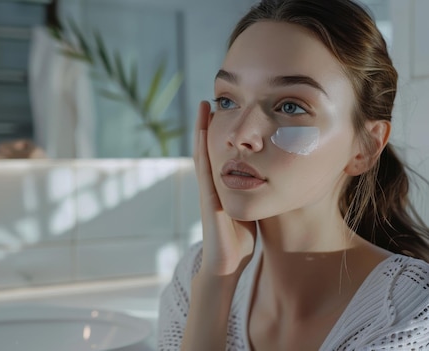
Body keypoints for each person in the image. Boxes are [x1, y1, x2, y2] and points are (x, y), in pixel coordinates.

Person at [157, 0, 429, 350]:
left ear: (365, 147)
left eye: (290, 106)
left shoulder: (412, 314)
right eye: (227, 101)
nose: (240, 134)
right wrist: (216, 283)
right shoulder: (197, 273)